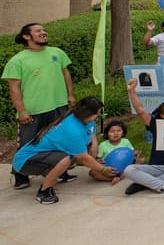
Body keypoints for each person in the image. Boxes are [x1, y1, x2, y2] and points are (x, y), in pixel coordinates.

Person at [3, 22, 76, 189]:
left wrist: (70, 95)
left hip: (58, 107)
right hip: (33, 111)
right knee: (27, 144)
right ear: (27, 37)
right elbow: (14, 88)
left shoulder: (57, 53)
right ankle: (20, 175)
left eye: (43, 30)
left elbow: (66, 74)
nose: (44, 33)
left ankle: (60, 170)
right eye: (38, 31)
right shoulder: (17, 61)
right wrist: (21, 111)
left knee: (59, 140)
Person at [12, 97, 109, 204]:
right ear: (87, 113)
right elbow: (83, 158)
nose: (99, 115)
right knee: (65, 159)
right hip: (24, 161)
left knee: (71, 156)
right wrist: (103, 169)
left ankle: (57, 174)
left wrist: (94, 143)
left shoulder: (83, 119)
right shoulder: (72, 130)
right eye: (98, 113)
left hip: (42, 155)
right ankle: (44, 191)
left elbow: (91, 130)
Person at [123, 79, 164, 196]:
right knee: (128, 170)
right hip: (155, 166)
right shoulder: (156, 123)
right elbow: (140, 110)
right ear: (163, 115)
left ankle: (144, 183)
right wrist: (132, 91)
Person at [91, 120, 139, 184]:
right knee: (92, 172)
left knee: (140, 161)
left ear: (123, 132)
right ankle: (113, 178)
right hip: (109, 169)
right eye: (112, 131)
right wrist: (99, 161)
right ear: (107, 133)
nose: (116, 133)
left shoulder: (126, 141)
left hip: (124, 166)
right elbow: (99, 159)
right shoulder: (103, 145)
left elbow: (131, 153)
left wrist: (135, 153)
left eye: (119, 131)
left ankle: (121, 175)